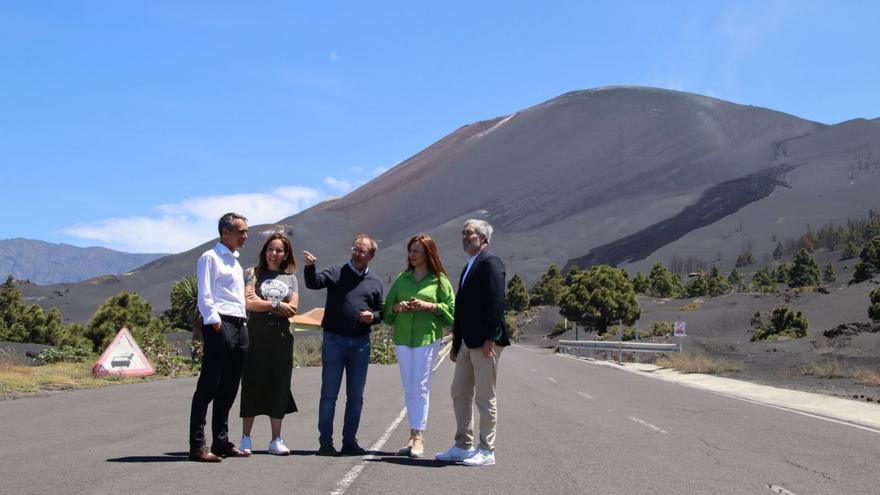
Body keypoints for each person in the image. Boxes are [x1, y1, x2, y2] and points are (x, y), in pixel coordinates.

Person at [435, 219, 510, 467]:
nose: (464, 237)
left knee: (485, 396)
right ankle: (462, 445)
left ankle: (487, 450)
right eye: (463, 233)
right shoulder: (470, 265)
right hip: (468, 342)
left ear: (483, 238)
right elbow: (462, 310)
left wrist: (491, 337)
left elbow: (497, 301)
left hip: (485, 342)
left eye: (468, 233)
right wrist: (457, 344)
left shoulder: (491, 263)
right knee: (459, 391)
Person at [303, 234, 384, 456]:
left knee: (356, 396)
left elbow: (381, 311)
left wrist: (373, 317)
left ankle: (349, 442)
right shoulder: (336, 271)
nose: (357, 254)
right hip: (334, 341)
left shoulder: (375, 282)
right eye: (355, 249)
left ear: (371, 255)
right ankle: (325, 443)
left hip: (360, 344)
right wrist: (310, 267)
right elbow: (314, 282)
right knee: (329, 394)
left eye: (362, 251)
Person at [384, 234, 455, 458]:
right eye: (410, 251)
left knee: (421, 386)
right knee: (409, 387)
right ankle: (411, 435)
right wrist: (399, 307)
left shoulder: (439, 280)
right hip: (403, 339)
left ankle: (419, 437)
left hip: (427, 338)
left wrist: (429, 306)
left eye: (417, 251)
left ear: (428, 254)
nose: (412, 255)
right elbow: (387, 310)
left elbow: (451, 311)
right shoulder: (402, 279)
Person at [189, 212, 251, 462]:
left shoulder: (235, 263)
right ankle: (197, 446)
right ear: (225, 232)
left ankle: (221, 441)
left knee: (229, 386)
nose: (245, 235)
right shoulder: (210, 258)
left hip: (239, 324)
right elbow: (205, 298)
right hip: (220, 325)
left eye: (246, 231)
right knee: (208, 386)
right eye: (240, 231)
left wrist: (241, 325)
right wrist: (218, 327)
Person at [239, 233, 299, 456]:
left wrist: (268, 305)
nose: (274, 254)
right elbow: (249, 302)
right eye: (271, 249)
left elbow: (293, 308)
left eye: (279, 251)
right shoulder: (253, 274)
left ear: (285, 255)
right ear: (264, 251)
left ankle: (276, 439)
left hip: (281, 339)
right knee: (252, 384)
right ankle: (246, 438)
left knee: (279, 385)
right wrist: (275, 304)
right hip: (255, 336)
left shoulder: (291, 278)